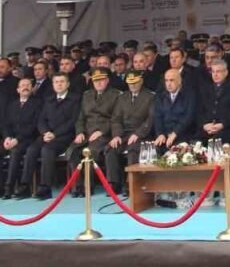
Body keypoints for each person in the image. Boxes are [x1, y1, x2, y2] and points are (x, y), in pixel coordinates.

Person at [29, 73, 79, 200]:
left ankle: (45, 187)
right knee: (32, 149)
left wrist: (55, 134)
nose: (59, 84)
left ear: (68, 84)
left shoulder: (75, 99)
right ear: (53, 85)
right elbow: (41, 119)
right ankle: (25, 185)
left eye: (62, 81)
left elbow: (73, 121)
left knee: (47, 149)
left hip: (65, 136)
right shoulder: (49, 99)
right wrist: (45, 132)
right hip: (47, 135)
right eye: (56, 82)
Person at [71, 68, 121, 196]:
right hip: (87, 134)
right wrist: (80, 132)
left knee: (90, 152)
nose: (98, 83)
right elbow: (80, 118)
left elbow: (116, 118)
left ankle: (88, 187)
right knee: (72, 152)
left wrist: (102, 131)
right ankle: (78, 186)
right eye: (95, 80)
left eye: (101, 80)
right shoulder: (87, 95)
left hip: (105, 134)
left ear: (107, 80)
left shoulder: (116, 95)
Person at [106, 70, 154, 197]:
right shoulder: (122, 97)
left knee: (133, 149)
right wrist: (116, 135)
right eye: (130, 83)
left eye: (135, 82)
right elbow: (115, 119)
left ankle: (131, 183)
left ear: (141, 81)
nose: (132, 85)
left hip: (142, 134)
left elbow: (151, 119)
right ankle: (114, 183)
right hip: (124, 134)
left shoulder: (150, 97)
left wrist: (138, 133)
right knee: (111, 148)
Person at [2, 77, 42, 199]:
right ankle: (6, 187)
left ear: (32, 88)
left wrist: (17, 139)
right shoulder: (12, 105)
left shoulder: (38, 103)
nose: (25, 87)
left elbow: (34, 125)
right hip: (12, 139)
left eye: (28, 85)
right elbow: (6, 124)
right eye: (23, 85)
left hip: (30, 138)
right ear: (18, 89)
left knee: (16, 151)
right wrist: (7, 137)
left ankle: (22, 186)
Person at [154, 69, 196, 150]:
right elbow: (158, 117)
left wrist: (175, 133)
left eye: (172, 80)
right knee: (154, 149)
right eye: (166, 80)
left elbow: (188, 118)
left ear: (179, 81)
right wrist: (160, 134)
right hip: (165, 136)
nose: (168, 84)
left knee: (178, 150)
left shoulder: (189, 95)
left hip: (183, 135)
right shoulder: (161, 96)